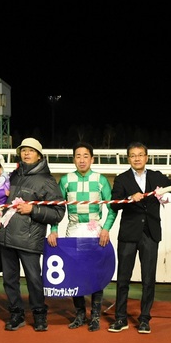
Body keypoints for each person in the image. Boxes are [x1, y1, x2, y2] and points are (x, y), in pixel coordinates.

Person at [108, 142, 171, 334]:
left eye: (140, 155)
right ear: (128, 158)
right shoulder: (121, 179)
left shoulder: (156, 176)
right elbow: (114, 204)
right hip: (128, 235)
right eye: (133, 155)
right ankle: (120, 318)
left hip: (150, 234)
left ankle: (144, 319)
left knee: (148, 279)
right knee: (123, 279)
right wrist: (129, 199)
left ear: (146, 157)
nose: (137, 158)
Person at [0, 138, 65, 332]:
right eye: (23, 150)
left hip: (29, 240)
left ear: (39, 155)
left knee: (34, 280)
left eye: (31, 150)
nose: (26, 153)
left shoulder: (47, 181)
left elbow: (58, 213)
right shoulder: (12, 176)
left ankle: (39, 314)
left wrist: (33, 210)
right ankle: (16, 314)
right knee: (9, 280)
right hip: (6, 238)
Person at [47, 141, 117, 331]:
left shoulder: (101, 180)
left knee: (95, 274)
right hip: (73, 231)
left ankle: (95, 316)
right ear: (73, 159)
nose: (82, 160)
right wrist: (53, 230)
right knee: (75, 274)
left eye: (86, 156)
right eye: (78, 156)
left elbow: (112, 208)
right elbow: (57, 209)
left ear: (92, 159)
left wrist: (106, 229)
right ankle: (79, 315)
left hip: (95, 232)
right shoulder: (66, 180)